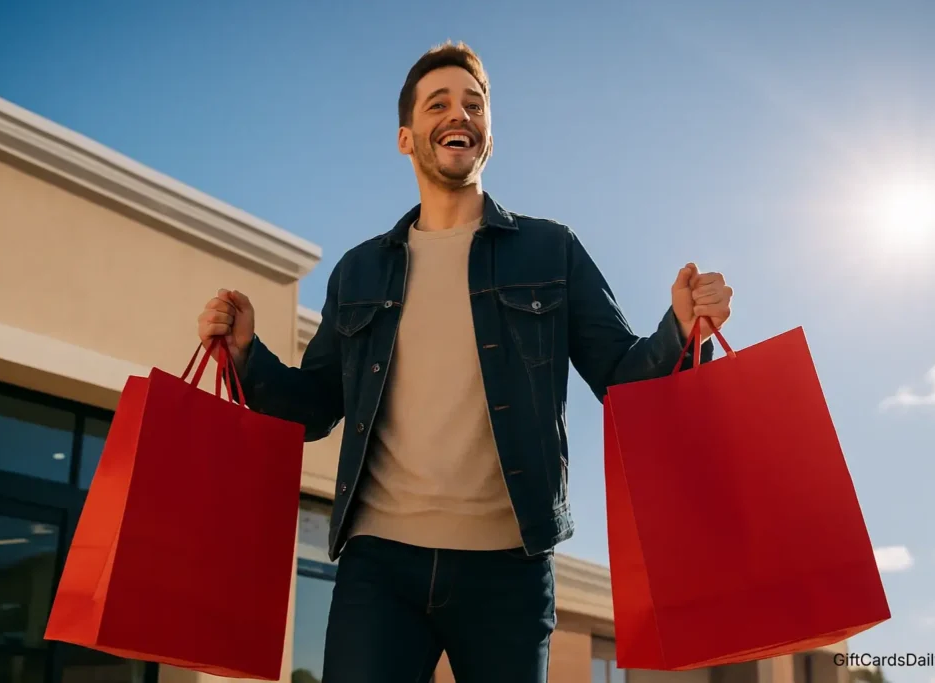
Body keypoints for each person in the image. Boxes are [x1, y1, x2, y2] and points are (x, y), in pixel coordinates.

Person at [197, 41, 733, 683]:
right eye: (439, 103)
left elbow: (624, 381)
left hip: (509, 567)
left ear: (489, 137)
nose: (460, 114)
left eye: (474, 105)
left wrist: (680, 328)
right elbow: (313, 408)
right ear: (406, 136)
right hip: (380, 566)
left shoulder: (550, 251)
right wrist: (247, 357)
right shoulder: (360, 270)